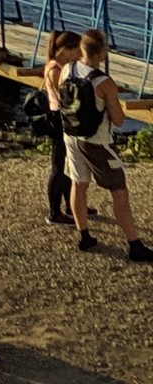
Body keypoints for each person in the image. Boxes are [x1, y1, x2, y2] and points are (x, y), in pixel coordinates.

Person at [61, 28, 151, 262]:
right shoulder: (104, 82)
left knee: (78, 184)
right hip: (97, 141)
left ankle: (84, 235)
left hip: (71, 135)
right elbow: (119, 120)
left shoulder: (66, 70)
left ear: (81, 47)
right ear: (103, 52)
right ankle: (134, 243)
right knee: (119, 192)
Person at [41, 30, 82, 226]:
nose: (80, 55)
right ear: (66, 50)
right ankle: (54, 211)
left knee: (68, 164)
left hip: (62, 116)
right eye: (77, 50)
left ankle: (71, 204)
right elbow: (64, 96)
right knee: (59, 166)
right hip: (58, 118)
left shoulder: (60, 65)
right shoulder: (56, 69)